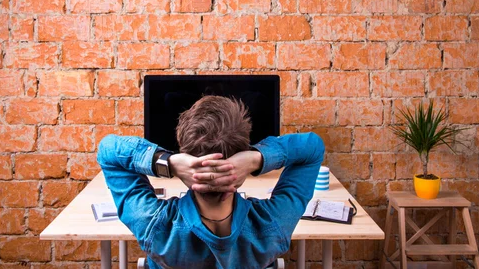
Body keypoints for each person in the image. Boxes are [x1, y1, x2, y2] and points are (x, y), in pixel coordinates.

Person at [97, 95, 325, 269]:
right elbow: (312, 148)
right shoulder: (273, 224)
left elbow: (108, 150)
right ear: (240, 165)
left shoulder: (154, 227)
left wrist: (168, 162)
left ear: (187, 164)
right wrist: (258, 158)